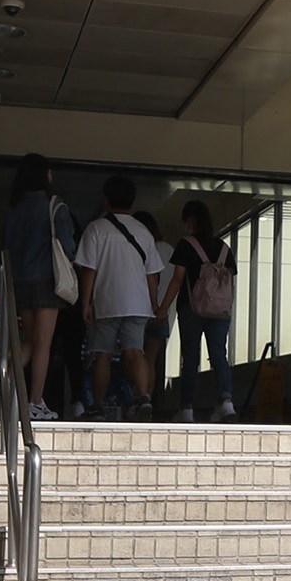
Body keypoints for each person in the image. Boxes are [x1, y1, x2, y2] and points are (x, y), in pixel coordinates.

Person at [75, 176, 164, 419]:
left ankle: (98, 406)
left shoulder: (96, 229)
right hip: (138, 303)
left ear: (106, 200)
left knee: (102, 354)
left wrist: (85, 302)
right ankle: (144, 396)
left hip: (107, 302)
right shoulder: (143, 231)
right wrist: (154, 303)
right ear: (132, 201)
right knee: (135, 351)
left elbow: (89, 270)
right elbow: (152, 273)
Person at [3, 154, 80, 420]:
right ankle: (35, 401)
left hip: (20, 281)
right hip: (47, 279)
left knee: (30, 339)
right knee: (43, 343)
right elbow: (67, 245)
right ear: (45, 175)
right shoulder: (54, 205)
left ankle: (8, 385)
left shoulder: (14, 208)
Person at [169, 199, 238, 421]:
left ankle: (187, 408)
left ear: (189, 221)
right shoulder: (224, 248)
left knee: (190, 357)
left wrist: (162, 308)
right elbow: (230, 282)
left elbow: (178, 280)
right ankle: (226, 402)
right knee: (219, 354)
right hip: (220, 311)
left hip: (192, 308)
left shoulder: (185, 244)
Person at [137, 209, 177, 410]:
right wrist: (163, 308)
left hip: (142, 310)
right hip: (164, 313)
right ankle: (148, 401)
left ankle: (140, 398)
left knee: (135, 357)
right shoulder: (170, 250)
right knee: (150, 360)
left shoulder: (145, 249)